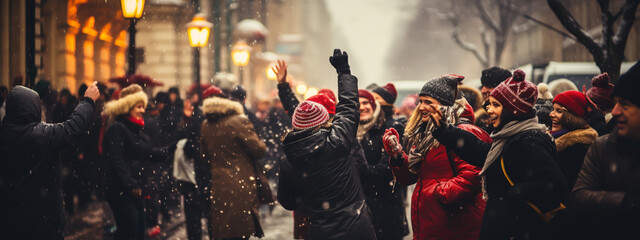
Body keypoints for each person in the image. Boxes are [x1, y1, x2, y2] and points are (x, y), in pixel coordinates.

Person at [429, 70, 568, 239]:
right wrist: (445, 131)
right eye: (489, 104)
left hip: (519, 231)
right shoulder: (510, 137)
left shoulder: (528, 140)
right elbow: (481, 151)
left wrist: (513, 194)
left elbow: (556, 183)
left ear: (513, 110)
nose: (489, 110)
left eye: (496, 105)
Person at [278, 49, 377, 239]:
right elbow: (349, 107)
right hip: (357, 229)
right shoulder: (338, 141)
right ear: (325, 122)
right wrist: (343, 71)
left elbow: (287, 201)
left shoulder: (288, 159)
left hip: (319, 231)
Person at [383, 74, 490, 240]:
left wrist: (439, 193)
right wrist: (397, 155)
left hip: (456, 227)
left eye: (428, 102)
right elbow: (410, 177)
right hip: (434, 226)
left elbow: (475, 175)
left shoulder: (462, 131)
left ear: (444, 106)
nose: (422, 107)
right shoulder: (425, 134)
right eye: (421, 101)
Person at [0, 83, 99, 239]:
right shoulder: (40, 135)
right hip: (41, 223)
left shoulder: (5, 135)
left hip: (9, 222)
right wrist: (88, 101)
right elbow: (72, 128)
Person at [570, 60, 640, 239]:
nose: (615, 111)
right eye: (615, 103)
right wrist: (625, 202)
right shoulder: (603, 147)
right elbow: (579, 197)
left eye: (624, 104)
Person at [102, 84, 173, 240]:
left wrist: (170, 150)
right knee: (130, 232)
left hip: (135, 191)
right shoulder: (117, 129)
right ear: (127, 107)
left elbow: (147, 153)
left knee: (138, 232)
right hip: (122, 192)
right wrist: (131, 184)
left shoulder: (133, 130)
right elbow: (117, 161)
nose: (143, 110)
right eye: (139, 106)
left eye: (143, 107)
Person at [200, 95, 267, 240]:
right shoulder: (239, 121)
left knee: (224, 229)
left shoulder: (206, 124)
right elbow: (259, 150)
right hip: (241, 182)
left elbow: (204, 155)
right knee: (241, 229)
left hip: (218, 184)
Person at [356, 88, 409, 240]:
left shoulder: (390, 129)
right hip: (359, 210)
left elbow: (388, 168)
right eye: (357, 103)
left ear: (373, 105)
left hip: (386, 207)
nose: (361, 107)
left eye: (365, 102)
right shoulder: (351, 132)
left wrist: (360, 172)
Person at [549, 90, 598, 189]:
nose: (551, 114)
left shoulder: (577, 149)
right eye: (553, 109)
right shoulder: (551, 138)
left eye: (559, 111)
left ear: (571, 117)